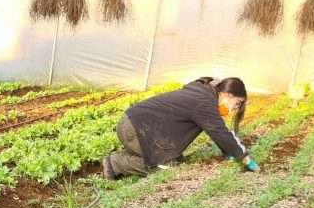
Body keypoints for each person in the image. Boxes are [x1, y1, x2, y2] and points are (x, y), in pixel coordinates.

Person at [102, 76, 259, 179]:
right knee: (167, 166)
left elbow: (217, 130)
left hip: (135, 125)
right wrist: (243, 157)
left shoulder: (204, 94)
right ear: (228, 94)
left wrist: (229, 151)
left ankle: (131, 154)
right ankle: (115, 163)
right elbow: (219, 131)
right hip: (135, 130)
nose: (233, 110)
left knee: (176, 158)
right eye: (237, 103)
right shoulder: (204, 101)